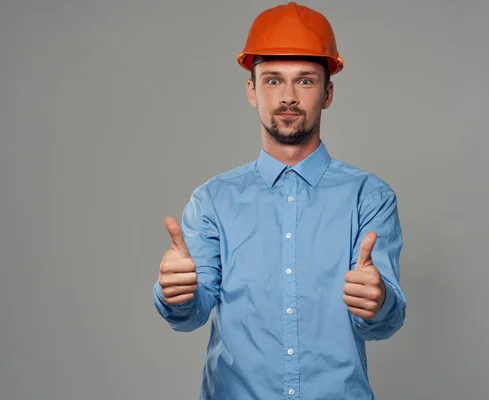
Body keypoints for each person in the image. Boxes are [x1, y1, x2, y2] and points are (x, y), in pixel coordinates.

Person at [153, 2, 406, 399]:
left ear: (328, 92)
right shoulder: (212, 201)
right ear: (252, 90)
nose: (288, 96)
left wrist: (380, 301)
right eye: (273, 80)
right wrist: (176, 294)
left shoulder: (368, 197)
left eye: (305, 81)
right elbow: (191, 315)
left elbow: (382, 321)